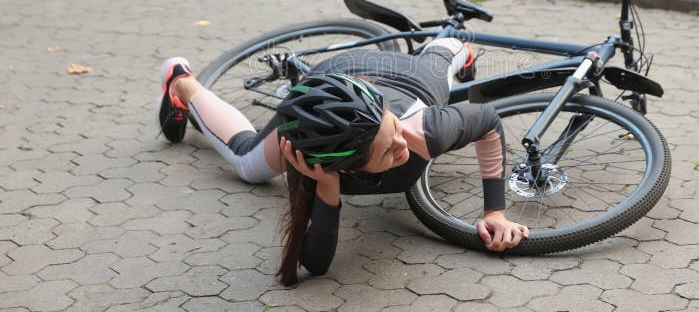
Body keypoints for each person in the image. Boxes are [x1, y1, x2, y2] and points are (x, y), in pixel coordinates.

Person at [155, 38, 529, 286]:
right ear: (348, 168)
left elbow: (488, 121)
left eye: (393, 130)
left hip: (406, 79)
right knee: (250, 165)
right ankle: (182, 83)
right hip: (327, 82)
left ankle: (452, 42)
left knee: (440, 60)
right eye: (387, 152)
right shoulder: (307, 156)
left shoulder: (423, 129)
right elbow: (316, 265)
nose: (403, 145)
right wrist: (327, 189)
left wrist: (495, 211)